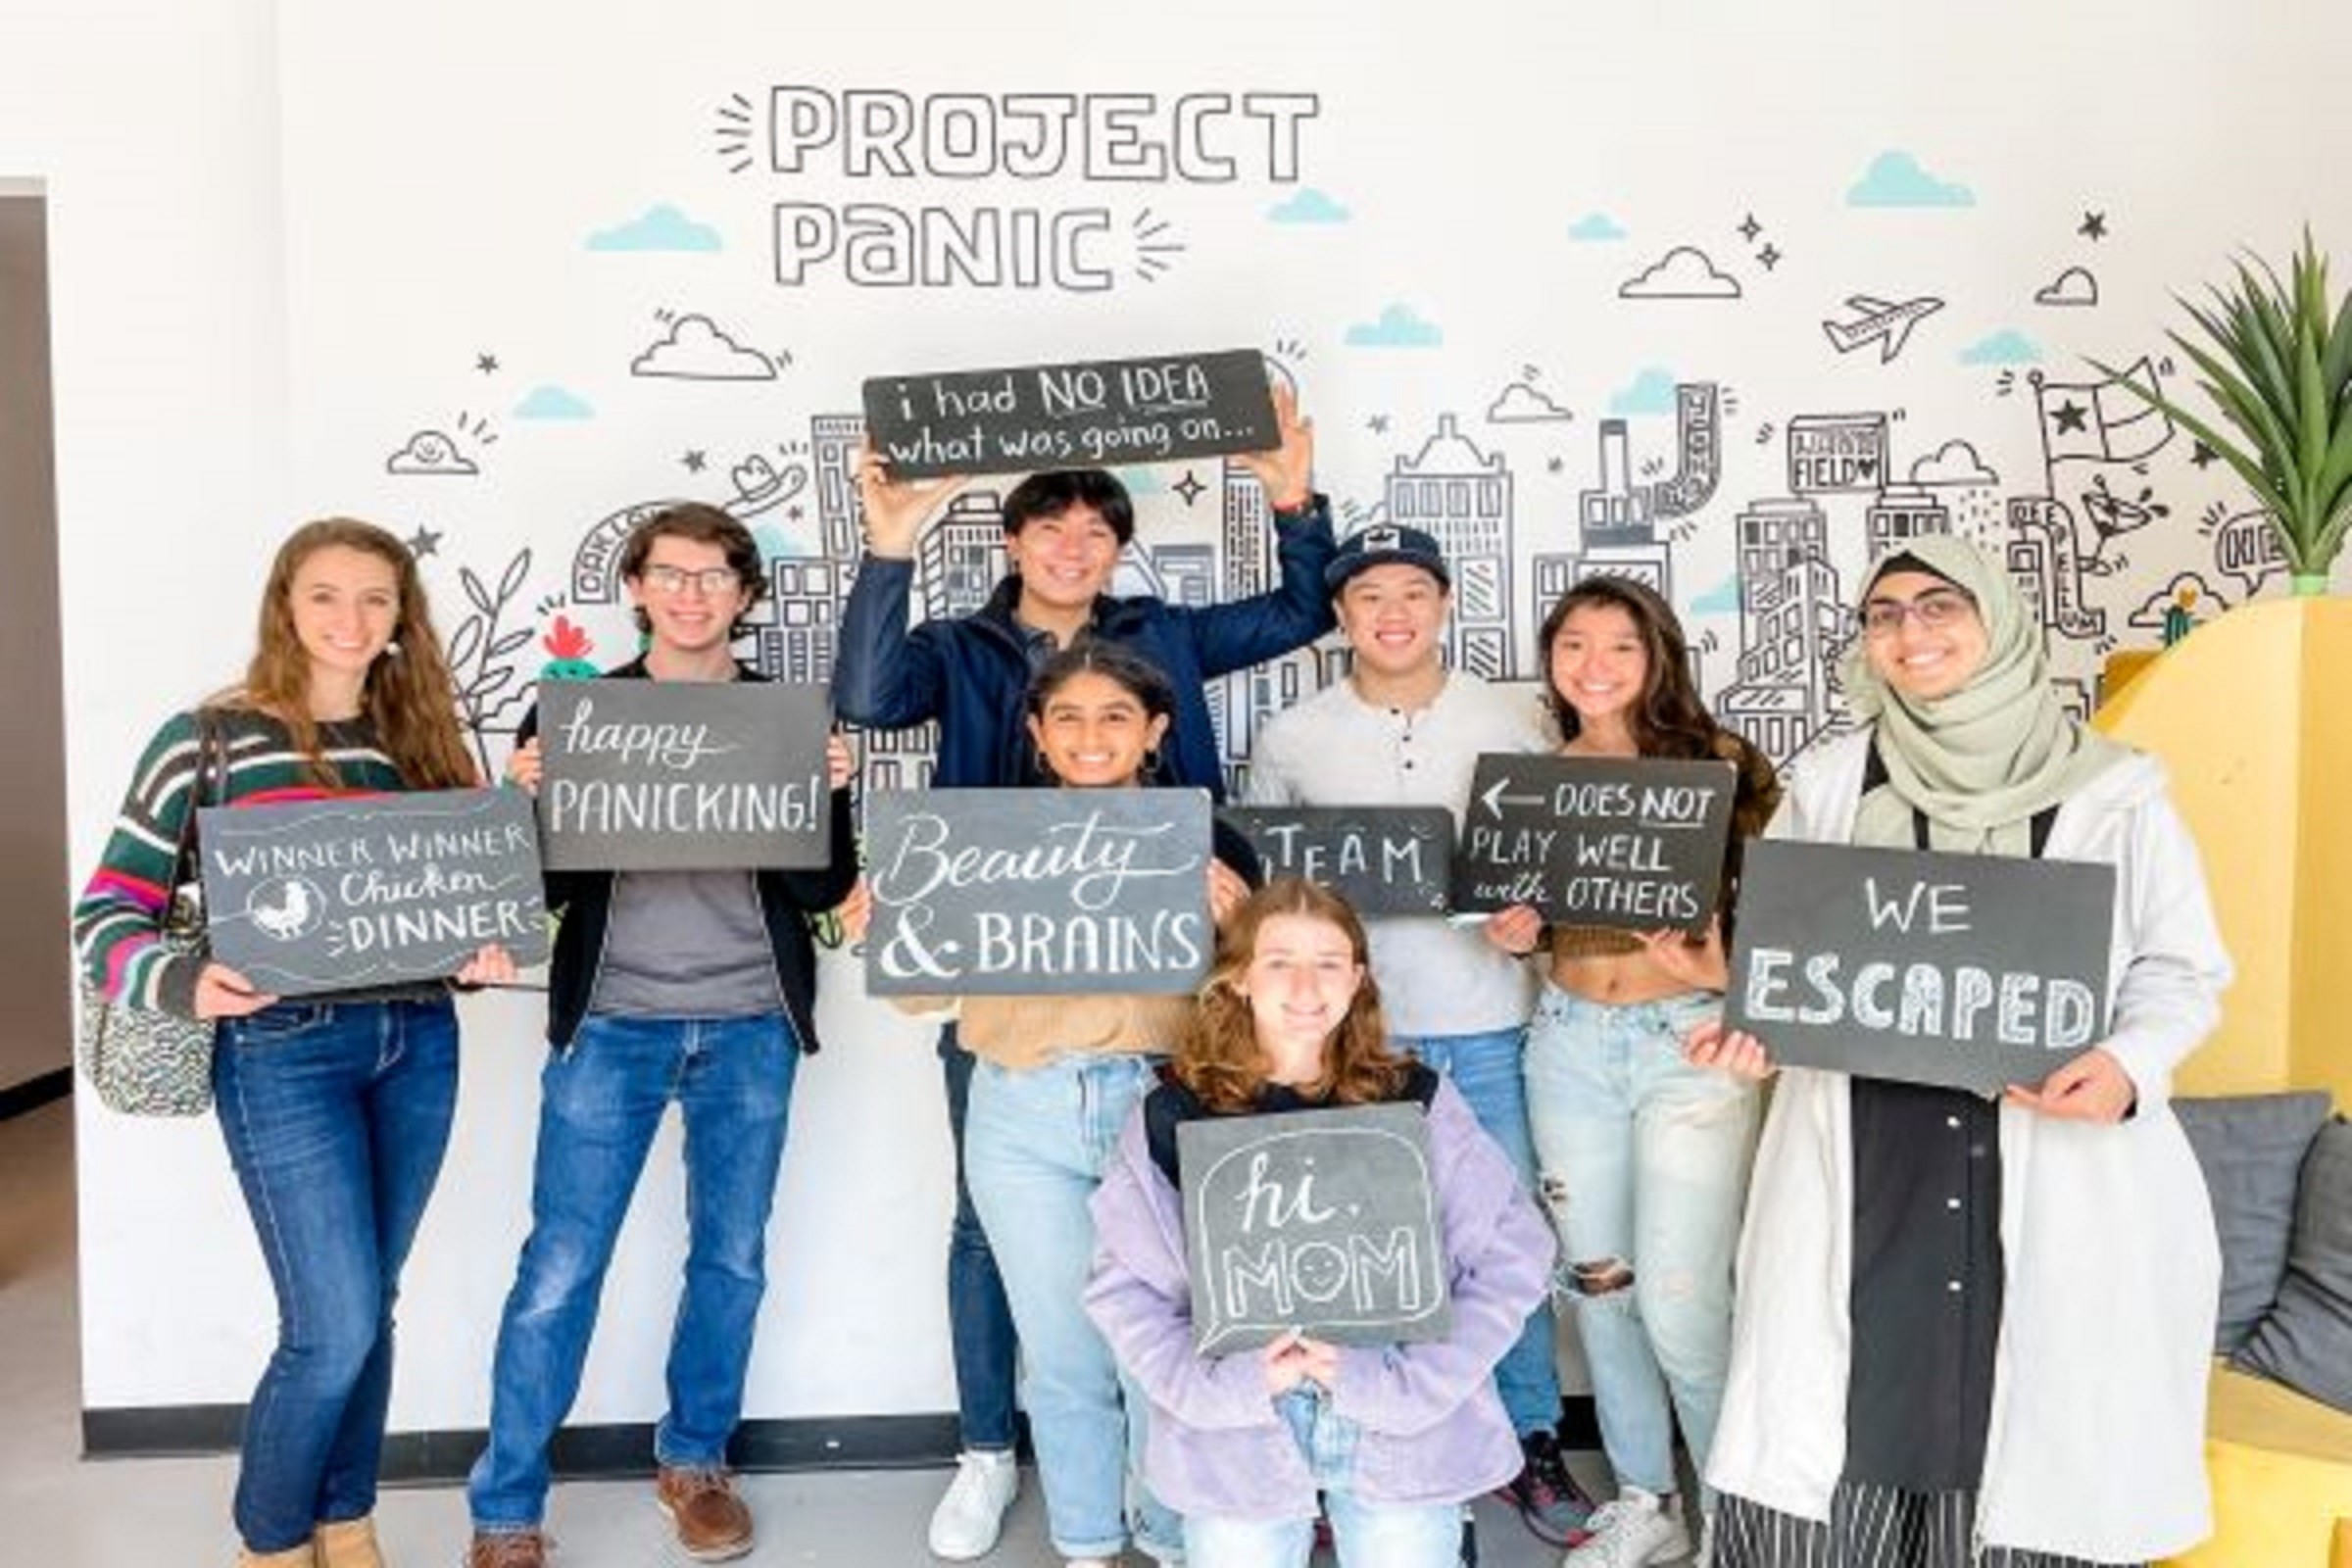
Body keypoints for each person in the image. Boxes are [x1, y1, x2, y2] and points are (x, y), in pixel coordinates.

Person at [836, 383, 1333, 1559]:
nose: (1073, 545)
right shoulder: (959, 649)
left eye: (1097, 529)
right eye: (1049, 526)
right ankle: (990, 1455)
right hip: (1013, 1011)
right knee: (992, 1238)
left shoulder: (1164, 636)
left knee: (1168, 1304)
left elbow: (1303, 610)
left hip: (1158, 1032)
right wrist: (891, 544)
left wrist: (1292, 499)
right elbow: (866, 697)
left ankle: (1167, 1516)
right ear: (1012, 542)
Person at [1685, 535, 2230, 1568]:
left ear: (1999, 620)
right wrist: (1752, 1023)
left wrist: (2128, 1067)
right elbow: (1791, 961)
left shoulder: (2116, 790)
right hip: (1872, 1153)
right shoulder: (1835, 780)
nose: (1911, 632)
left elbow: (2183, 968)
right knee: (1853, 1408)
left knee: (2025, 1419)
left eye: (1940, 605)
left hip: (2045, 1137)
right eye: (1883, 614)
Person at [72, 518, 514, 1568]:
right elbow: (106, 913)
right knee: (333, 1322)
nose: (349, 619)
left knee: (373, 1308)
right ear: (285, 605)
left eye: (374, 598)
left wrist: (481, 950)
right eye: (324, 594)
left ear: (401, 617)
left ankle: (345, 1522)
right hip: (282, 1050)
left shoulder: (425, 749)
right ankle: (271, 1543)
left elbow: (459, 914)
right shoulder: (208, 740)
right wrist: (183, 980)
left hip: (418, 1039)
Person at [464, 504, 859, 1568]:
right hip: (612, 1024)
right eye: (671, 574)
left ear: (745, 594)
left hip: (752, 1023)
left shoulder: (786, 717)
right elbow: (540, 893)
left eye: (716, 575)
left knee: (731, 1258)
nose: (692, 594)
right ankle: (506, 1509)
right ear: (635, 588)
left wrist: (831, 794)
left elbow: (825, 889)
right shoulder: (578, 716)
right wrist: (523, 805)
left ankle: (695, 1462)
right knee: (561, 1265)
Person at [872, 642, 1259, 1568]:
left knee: (1163, 1350)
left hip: (1160, 1110)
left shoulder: (1209, 841)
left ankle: (1169, 1537)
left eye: (1116, 716)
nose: (1092, 736)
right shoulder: (979, 842)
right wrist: (898, 924)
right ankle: (1087, 1543)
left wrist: (1240, 925)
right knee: (1061, 1353)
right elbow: (917, 996)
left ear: (1156, 731)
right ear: (1037, 735)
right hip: (1022, 1112)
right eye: (1069, 718)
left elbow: (1266, 1001)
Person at [1243, 523, 1591, 1544]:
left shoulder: (1517, 720)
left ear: (1443, 604)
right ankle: (1338, 1458)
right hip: (1350, 1045)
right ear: (1339, 615)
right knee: (1343, 1250)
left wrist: (1536, 924)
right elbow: (1270, 898)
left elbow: (1558, 876)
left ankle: (1528, 1439)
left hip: (1486, 1028)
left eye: (1411, 593)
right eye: (1368, 596)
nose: (1391, 613)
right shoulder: (1293, 735)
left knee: (1503, 1249)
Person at [1085, 877, 1556, 1567]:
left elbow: (1513, 1253)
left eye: (1329, 962)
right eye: (1279, 962)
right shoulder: (1174, 1113)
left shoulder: (1415, 1100)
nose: (1306, 987)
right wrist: (1215, 1389)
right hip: (1238, 1433)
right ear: (1239, 978)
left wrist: (1417, 1382)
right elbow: (1125, 1288)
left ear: (1357, 979)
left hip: (1398, 1419)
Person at [1476, 576, 1779, 1567]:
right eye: (1573, 644)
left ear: (1658, 656)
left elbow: (1789, 917)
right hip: (1569, 1043)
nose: (1594, 665)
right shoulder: (1534, 784)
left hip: (1689, 1047)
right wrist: (1516, 934)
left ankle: (1739, 1514)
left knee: (1685, 1299)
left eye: (1620, 644)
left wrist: (1724, 977)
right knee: (1601, 1287)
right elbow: (1540, 924)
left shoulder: (1723, 766)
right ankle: (1649, 1498)